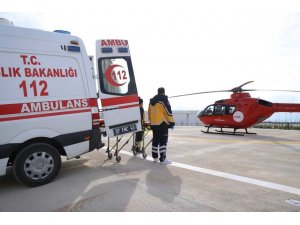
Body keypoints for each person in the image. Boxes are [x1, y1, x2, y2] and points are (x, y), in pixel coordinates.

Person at [148, 87, 175, 164]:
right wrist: (172, 123)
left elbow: (149, 114)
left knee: (155, 141)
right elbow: (168, 112)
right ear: (163, 92)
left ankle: (155, 158)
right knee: (163, 141)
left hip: (154, 124)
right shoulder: (163, 100)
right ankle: (163, 159)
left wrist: (152, 122)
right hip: (162, 124)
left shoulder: (151, 102)